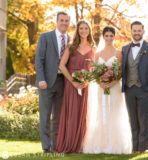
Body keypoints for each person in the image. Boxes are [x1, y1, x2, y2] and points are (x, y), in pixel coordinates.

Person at [82, 26, 132, 154]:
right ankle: (101, 143)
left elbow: (121, 73)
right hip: (101, 88)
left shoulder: (118, 53)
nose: (109, 38)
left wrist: (112, 82)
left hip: (114, 88)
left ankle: (114, 144)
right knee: (102, 112)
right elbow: (94, 71)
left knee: (114, 113)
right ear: (103, 37)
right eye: (106, 36)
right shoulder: (98, 54)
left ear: (114, 37)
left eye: (111, 36)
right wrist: (100, 82)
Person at [55, 20, 96, 153]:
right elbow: (61, 65)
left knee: (84, 115)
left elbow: (95, 69)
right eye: (81, 28)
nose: (84, 31)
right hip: (71, 85)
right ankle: (70, 144)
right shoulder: (71, 46)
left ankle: (81, 145)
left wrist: (87, 81)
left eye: (86, 28)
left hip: (86, 86)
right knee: (72, 113)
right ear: (77, 30)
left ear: (89, 30)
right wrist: (73, 81)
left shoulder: (93, 48)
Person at [122, 21, 148, 154]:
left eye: (139, 30)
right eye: (134, 30)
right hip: (129, 88)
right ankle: (134, 147)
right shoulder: (125, 48)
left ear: (143, 31)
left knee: (143, 118)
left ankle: (142, 147)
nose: (136, 33)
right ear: (131, 31)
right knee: (132, 118)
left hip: (145, 88)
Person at [35, 11, 70, 153]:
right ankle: (45, 147)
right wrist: (41, 79)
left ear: (69, 22)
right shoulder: (45, 37)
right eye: (61, 20)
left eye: (66, 21)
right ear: (57, 21)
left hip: (63, 83)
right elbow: (39, 60)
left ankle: (56, 146)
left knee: (58, 117)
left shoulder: (71, 39)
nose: (64, 23)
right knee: (45, 116)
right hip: (47, 83)